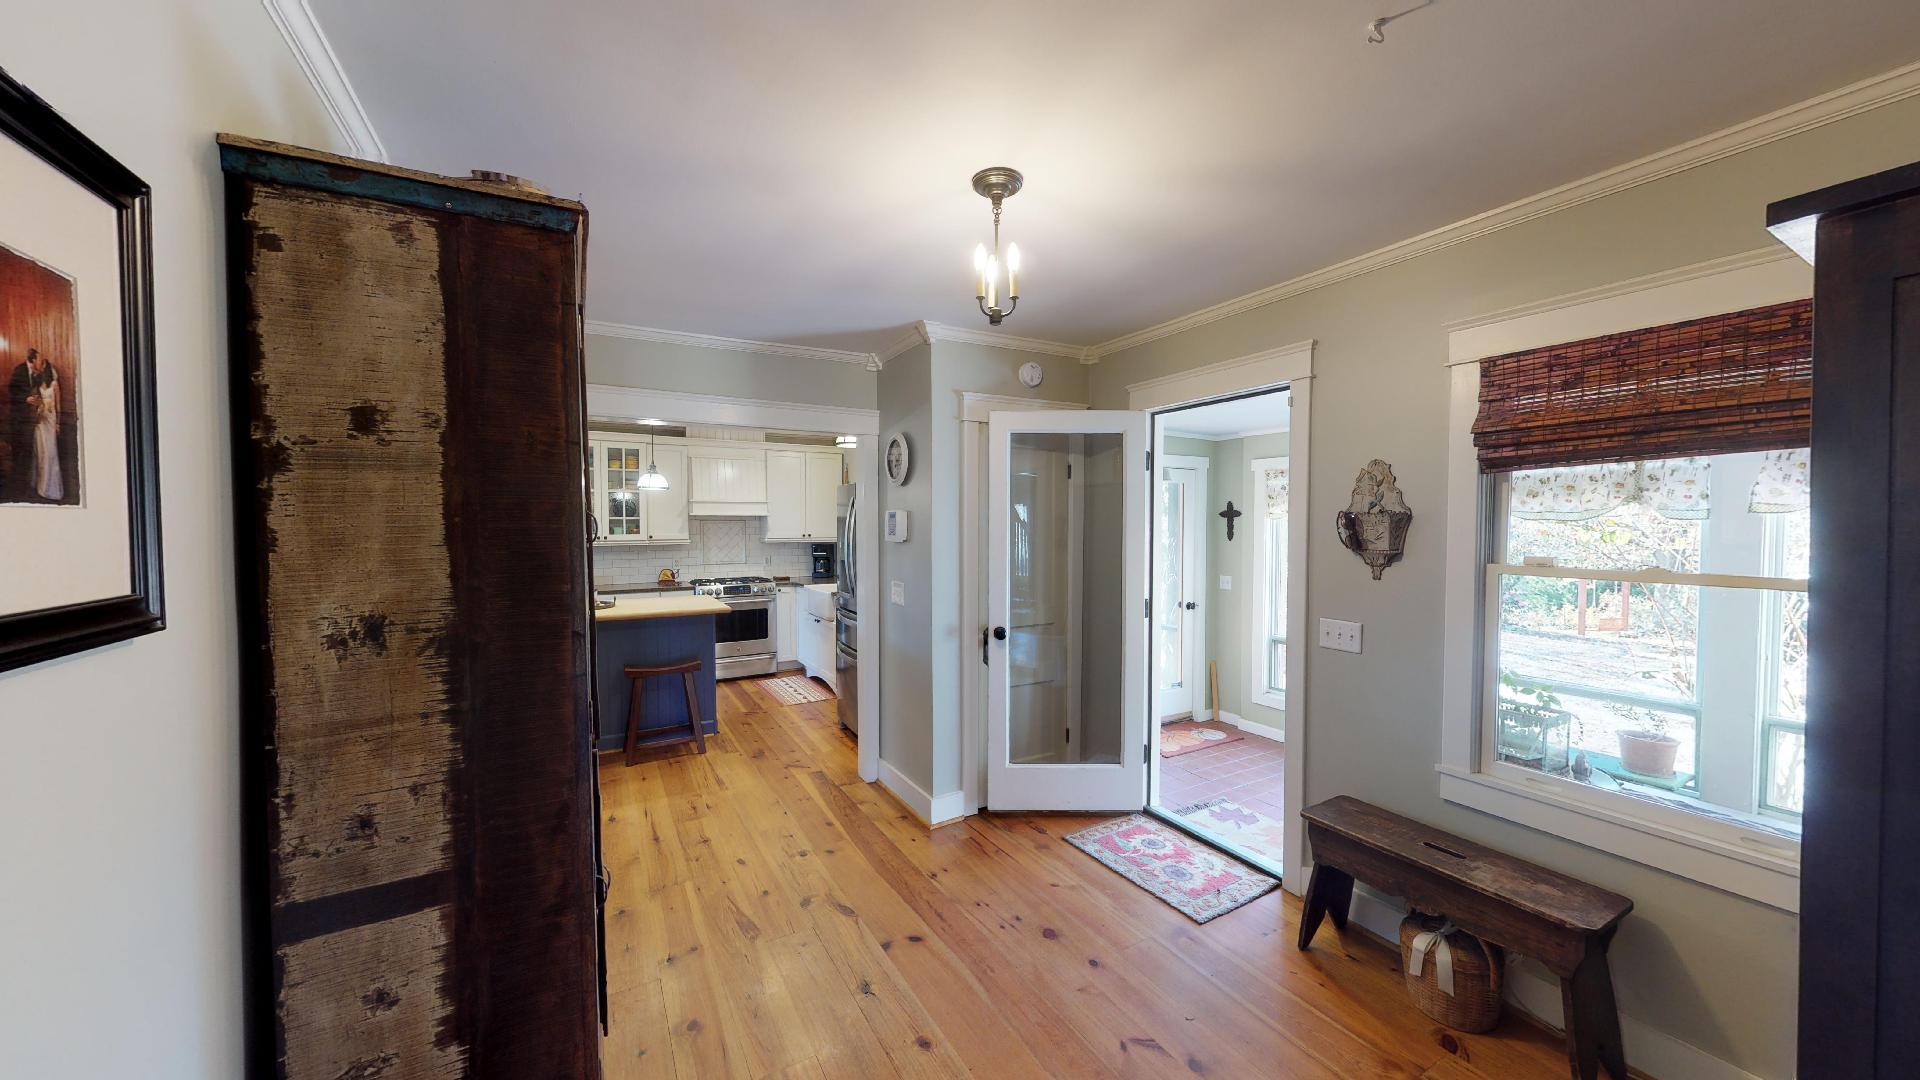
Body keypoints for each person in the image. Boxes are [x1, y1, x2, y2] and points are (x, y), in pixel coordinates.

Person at [5, 348, 58, 502]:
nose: (41, 363)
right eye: (39, 360)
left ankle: (26, 488)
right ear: (32, 360)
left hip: (31, 422)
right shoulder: (19, 370)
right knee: (18, 454)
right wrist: (25, 399)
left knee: (28, 455)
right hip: (18, 421)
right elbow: (11, 391)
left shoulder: (37, 375)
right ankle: (15, 491)